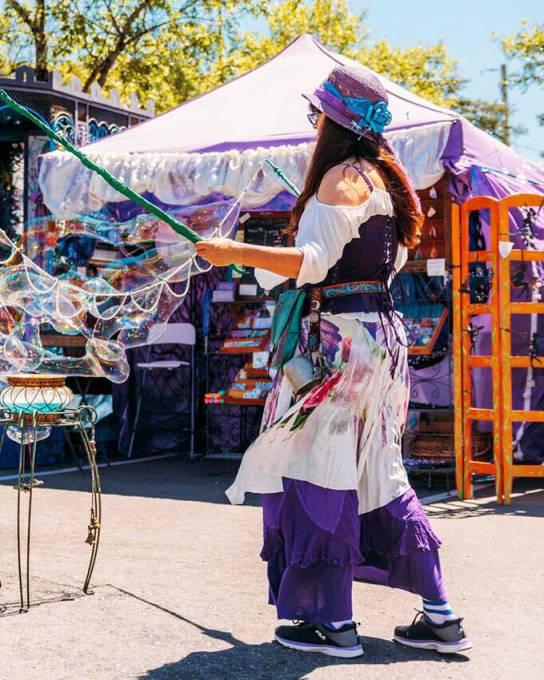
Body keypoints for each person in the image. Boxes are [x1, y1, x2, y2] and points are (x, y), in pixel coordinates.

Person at [196, 66, 471, 657]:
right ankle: (441, 616)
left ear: (334, 124)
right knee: (376, 468)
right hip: (380, 339)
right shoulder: (384, 179)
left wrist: (230, 251)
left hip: (341, 342)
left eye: (316, 115)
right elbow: (358, 264)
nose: (312, 123)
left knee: (319, 467)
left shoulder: (341, 179)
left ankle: (335, 623)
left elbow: (314, 262)